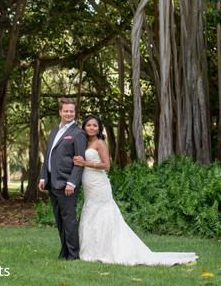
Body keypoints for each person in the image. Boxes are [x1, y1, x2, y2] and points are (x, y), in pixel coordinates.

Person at [73, 114, 198, 266]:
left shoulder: (100, 143)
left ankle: (108, 249)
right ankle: (92, 250)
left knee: (103, 213)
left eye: (94, 125)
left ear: (99, 128)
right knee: (91, 212)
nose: (91, 128)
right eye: (88, 125)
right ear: (84, 127)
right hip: (88, 185)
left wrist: (85, 163)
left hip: (99, 184)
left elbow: (107, 165)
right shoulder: (84, 143)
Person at [38, 97, 87, 260]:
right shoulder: (53, 131)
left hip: (67, 185)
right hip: (53, 183)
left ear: (75, 113)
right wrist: (43, 178)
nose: (68, 113)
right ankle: (64, 252)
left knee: (69, 220)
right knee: (59, 220)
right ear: (60, 112)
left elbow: (80, 162)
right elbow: (48, 157)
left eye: (71, 111)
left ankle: (73, 254)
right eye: (66, 110)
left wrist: (72, 182)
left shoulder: (78, 133)